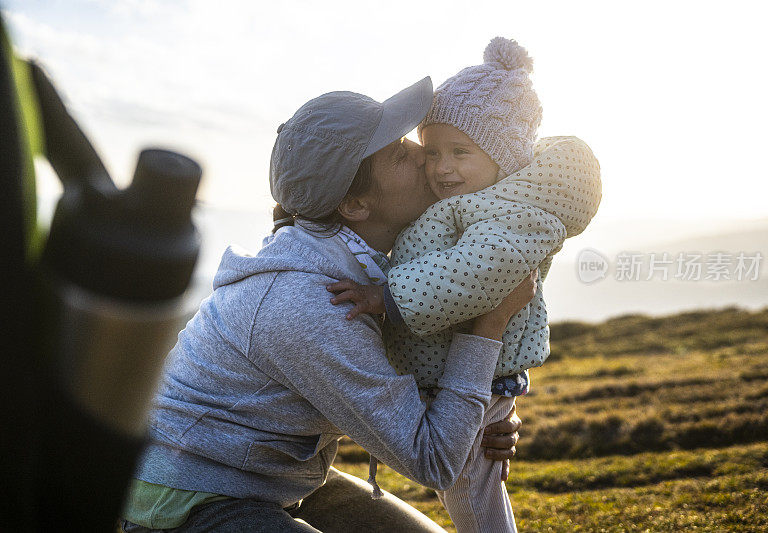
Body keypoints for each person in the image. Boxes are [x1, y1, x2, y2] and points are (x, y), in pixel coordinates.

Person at [119, 76, 536, 532]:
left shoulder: (377, 269)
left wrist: (485, 420)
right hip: (186, 494)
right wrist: (489, 327)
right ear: (355, 205)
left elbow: (407, 394)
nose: (423, 154)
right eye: (401, 153)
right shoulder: (313, 303)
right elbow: (435, 460)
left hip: (275, 479)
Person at [328, 37, 602, 532]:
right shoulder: (469, 202)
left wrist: (388, 297)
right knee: (470, 490)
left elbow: (475, 271)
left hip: (474, 374)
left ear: (504, 156)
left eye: (460, 152)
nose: (441, 167)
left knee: (472, 497)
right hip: (457, 373)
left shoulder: (508, 213)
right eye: (431, 152)